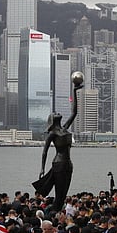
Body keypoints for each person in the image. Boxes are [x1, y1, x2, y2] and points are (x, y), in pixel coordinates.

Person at [33, 76, 83, 212]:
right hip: (58, 164)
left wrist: (74, 91)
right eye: (54, 113)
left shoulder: (65, 128)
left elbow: (74, 112)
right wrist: (42, 168)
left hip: (68, 164)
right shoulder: (52, 134)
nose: (57, 112)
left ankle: (56, 211)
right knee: (59, 193)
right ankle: (54, 213)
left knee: (64, 193)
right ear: (52, 119)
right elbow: (45, 152)